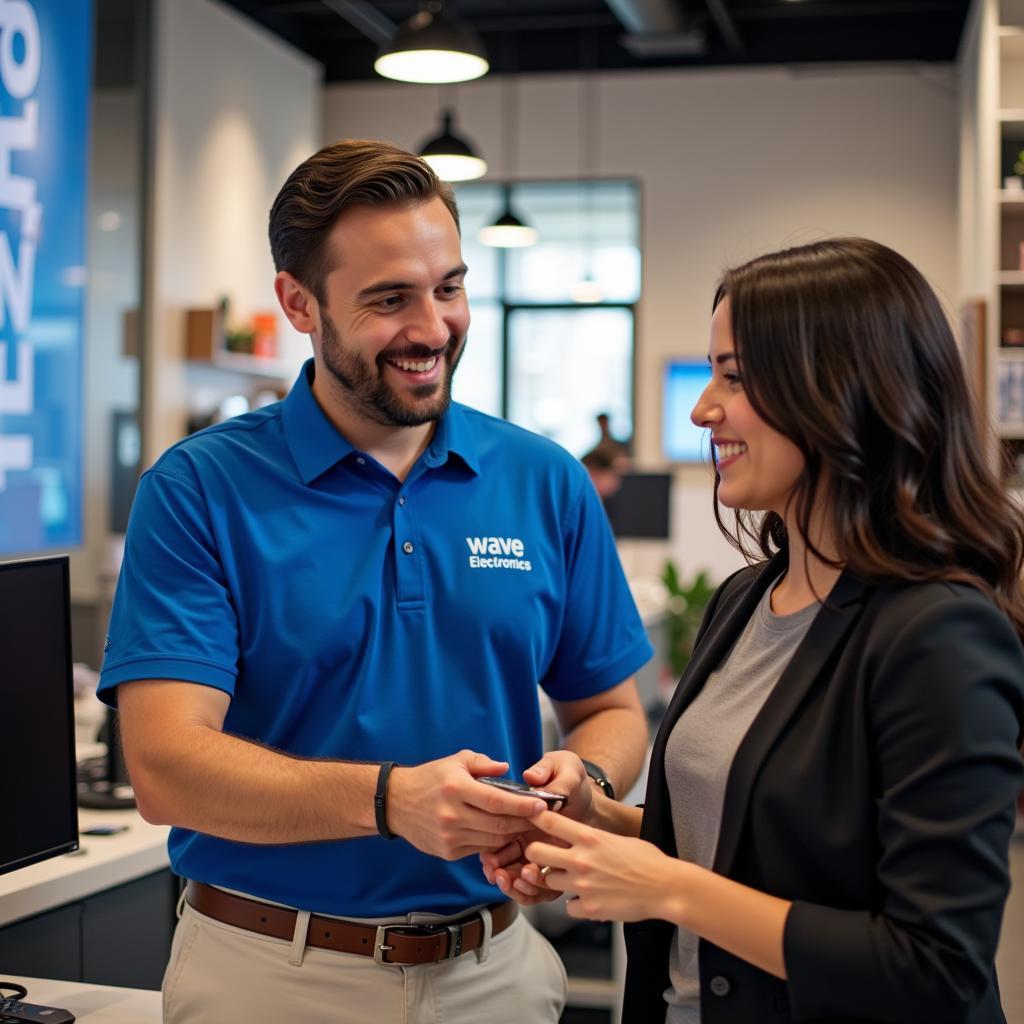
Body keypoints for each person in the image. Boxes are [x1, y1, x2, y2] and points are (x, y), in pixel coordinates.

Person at [97, 140, 652, 1024]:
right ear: (299, 303)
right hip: (271, 973)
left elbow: (611, 709)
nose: (433, 327)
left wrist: (583, 780)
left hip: (498, 968)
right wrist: (391, 802)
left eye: (450, 287)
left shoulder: (544, 480)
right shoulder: (199, 490)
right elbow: (166, 767)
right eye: (390, 299)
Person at [486, 237, 1024, 1023]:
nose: (704, 409)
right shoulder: (748, 598)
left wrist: (666, 888)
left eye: (733, 376)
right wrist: (595, 826)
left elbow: (933, 965)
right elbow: (743, 845)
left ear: (839, 388)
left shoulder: (938, 635)